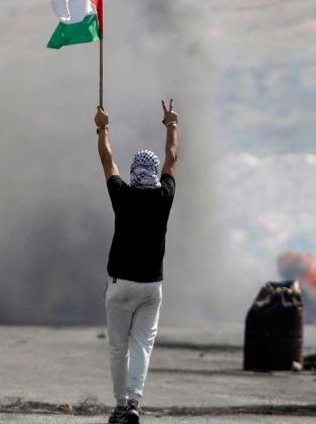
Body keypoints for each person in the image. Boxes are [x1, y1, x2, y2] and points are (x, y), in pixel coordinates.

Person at [94, 99, 178, 424]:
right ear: (154, 174)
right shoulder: (164, 197)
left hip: (120, 286)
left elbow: (107, 159)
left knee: (118, 348)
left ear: (133, 174)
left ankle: (119, 405)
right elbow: (171, 157)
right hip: (151, 288)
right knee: (142, 344)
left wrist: (102, 127)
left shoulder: (123, 195)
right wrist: (171, 123)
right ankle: (133, 403)